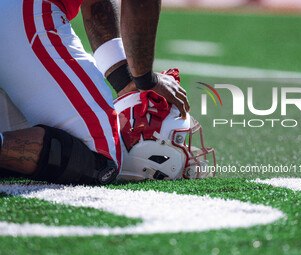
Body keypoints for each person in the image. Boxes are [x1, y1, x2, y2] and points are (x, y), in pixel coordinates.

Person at [0, 0, 189, 184]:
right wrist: (145, 79)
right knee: (100, 158)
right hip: (21, 16)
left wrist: (123, 79)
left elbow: (96, 3)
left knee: (19, 146)